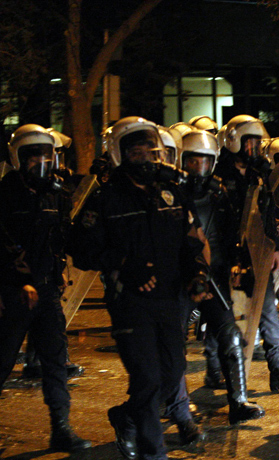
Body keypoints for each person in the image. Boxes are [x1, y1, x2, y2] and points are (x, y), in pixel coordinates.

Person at [69, 116, 211, 460]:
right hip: (130, 301)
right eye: (136, 152)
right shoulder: (106, 200)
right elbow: (79, 248)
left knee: (173, 373)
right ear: (120, 156)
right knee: (147, 380)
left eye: (151, 151)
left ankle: (125, 416)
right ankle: (154, 453)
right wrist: (122, 263)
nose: (146, 158)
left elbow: (189, 243)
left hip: (169, 299)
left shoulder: (171, 193)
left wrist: (197, 274)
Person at [0, 124, 91, 452]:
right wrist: (19, 278)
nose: (40, 161)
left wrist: (61, 270)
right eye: (33, 155)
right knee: (3, 359)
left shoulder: (57, 192)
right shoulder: (7, 192)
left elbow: (62, 237)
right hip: (15, 291)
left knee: (55, 361)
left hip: (48, 289)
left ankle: (61, 428)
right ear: (19, 158)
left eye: (46, 154)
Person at [177, 128, 267, 422]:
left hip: (214, 275)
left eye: (204, 162)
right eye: (192, 162)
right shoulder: (170, 195)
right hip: (179, 279)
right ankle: (176, 403)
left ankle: (238, 401)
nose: (198, 169)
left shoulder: (220, 194)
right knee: (175, 342)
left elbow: (230, 234)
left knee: (229, 334)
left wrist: (238, 263)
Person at [218, 114, 279, 392]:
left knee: (267, 310)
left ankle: (278, 369)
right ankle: (216, 370)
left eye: (257, 143)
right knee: (226, 314)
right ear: (234, 142)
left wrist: (273, 245)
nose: (255, 149)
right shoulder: (218, 175)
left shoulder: (259, 174)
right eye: (249, 143)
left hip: (256, 251)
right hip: (226, 254)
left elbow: (268, 211)